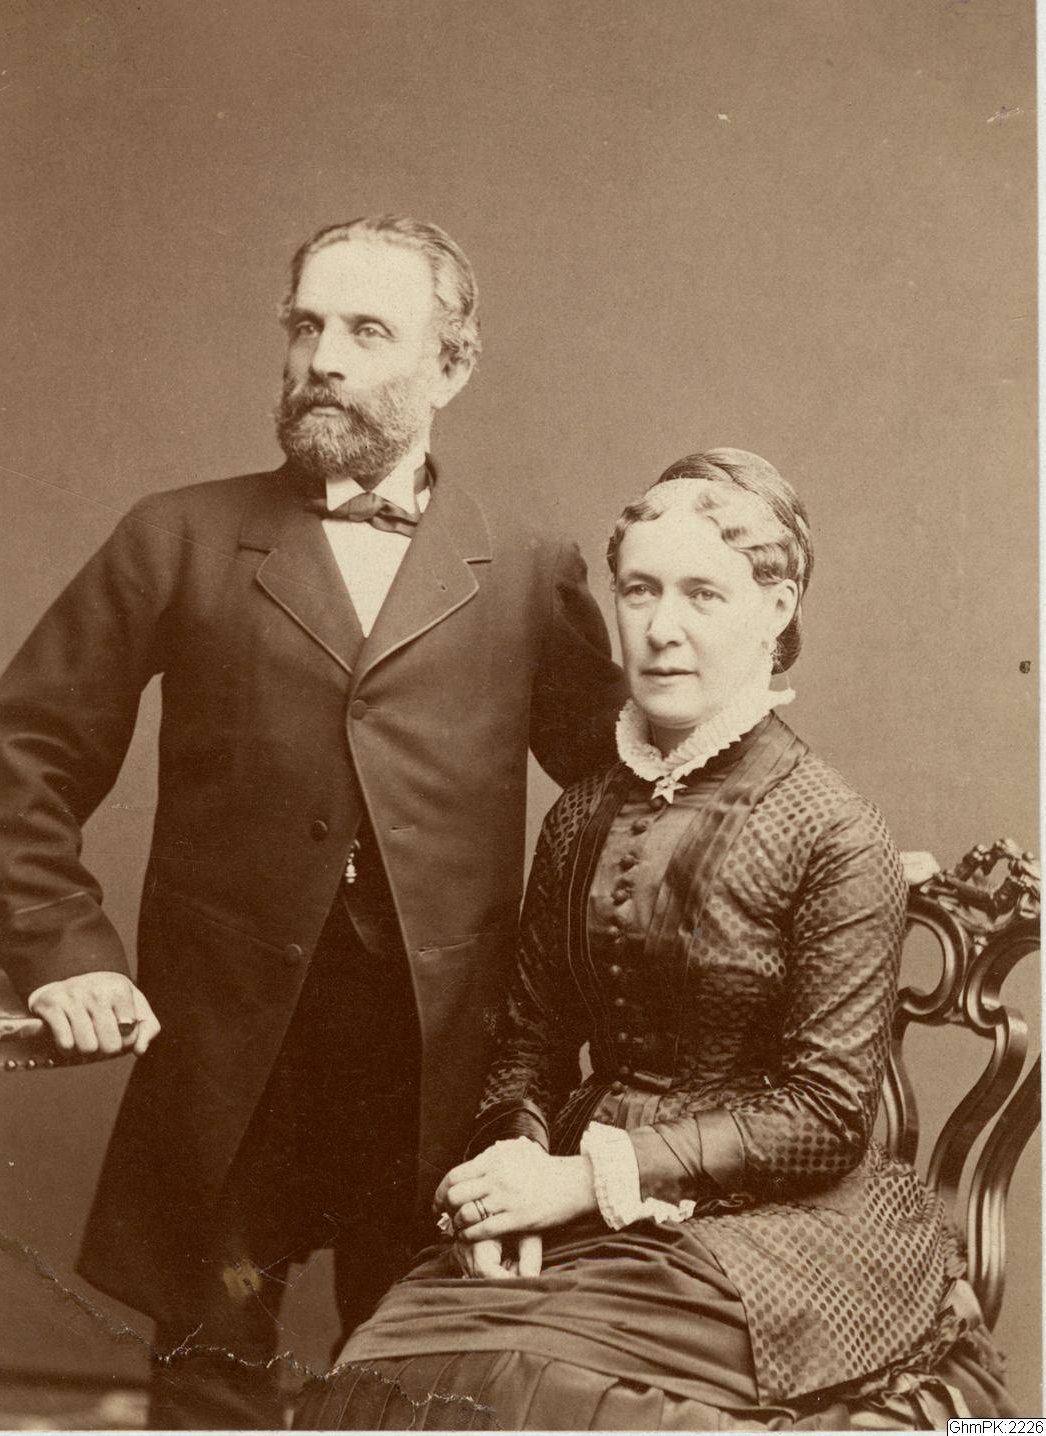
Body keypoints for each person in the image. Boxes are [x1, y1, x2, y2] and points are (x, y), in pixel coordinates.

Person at [0, 215, 625, 1429]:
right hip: (232, 1055)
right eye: (307, 326)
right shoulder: (175, 535)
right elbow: (19, 754)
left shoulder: (530, 564)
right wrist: (63, 948)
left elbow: (617, 785)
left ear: (450, 367)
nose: (323, 358)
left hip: (441, 1066)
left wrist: (774, 845)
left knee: (425, 1387)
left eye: (368, 331)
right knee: (208, 1383)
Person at [296, 448, 1013, 1432]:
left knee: (539, 1394)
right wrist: (514, 1163)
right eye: (639, 590)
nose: (661, 628)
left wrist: (578, 1179)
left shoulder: (834, 830)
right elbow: (531, 1038)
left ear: (775, 610)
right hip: (576, 1202)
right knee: (375, 1378)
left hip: (780, 1229)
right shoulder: (581, 813)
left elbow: (824, 1114)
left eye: (702, 595)